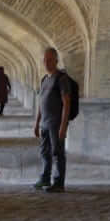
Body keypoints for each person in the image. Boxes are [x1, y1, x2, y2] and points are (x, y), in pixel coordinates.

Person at [33, 47, 71, 193]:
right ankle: (45, 178)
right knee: (44, 152)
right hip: (44, 124)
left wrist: (63, 126)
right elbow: (41, 104)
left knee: (58, 153)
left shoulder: (62, 79)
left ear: (56, 60)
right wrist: (37, 123)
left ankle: (59, 183)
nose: (46, 63)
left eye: (49, 60)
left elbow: (67, 103)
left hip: (56, 124)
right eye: (44, 60)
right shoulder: (44, 79)